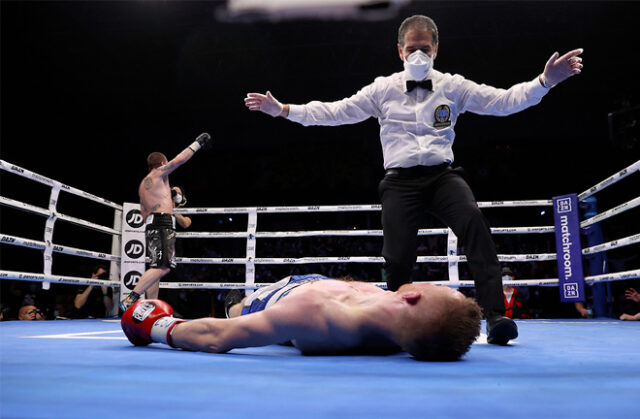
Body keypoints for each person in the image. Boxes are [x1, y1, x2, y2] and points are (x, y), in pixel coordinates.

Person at [244, 15, 583, 344]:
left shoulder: (453, 86)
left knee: (475, 223)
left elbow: (504, 101)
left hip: (442, 176)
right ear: (399, 51)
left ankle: (495, 317)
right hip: (399, 181)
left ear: (436, 49)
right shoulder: (382, 89)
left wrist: (544, 82)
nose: (417, 54)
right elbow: (335, 111)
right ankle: (392, 323)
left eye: (424, 47)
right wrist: (286, 110)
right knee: (397, 256)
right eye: (411, 48)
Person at [122, 274, 483, 361]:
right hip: (320, 284)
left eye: (439, 285)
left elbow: (219, 337)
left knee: (239, 306)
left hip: (277, 300)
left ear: (414, 295)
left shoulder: (315, 313)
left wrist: (155, 326)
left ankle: (233, 299)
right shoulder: (410, 331)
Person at [120, 133, 213, 312]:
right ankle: (130, 299)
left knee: (155, 268)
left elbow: (148, 210)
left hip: (151, 225)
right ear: (163, 163)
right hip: (162, 224)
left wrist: (173, 197)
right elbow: (179, 160)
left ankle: (149, 307)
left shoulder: (144, 184)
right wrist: (197, 143)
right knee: (163, 268)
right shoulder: (160, 172)